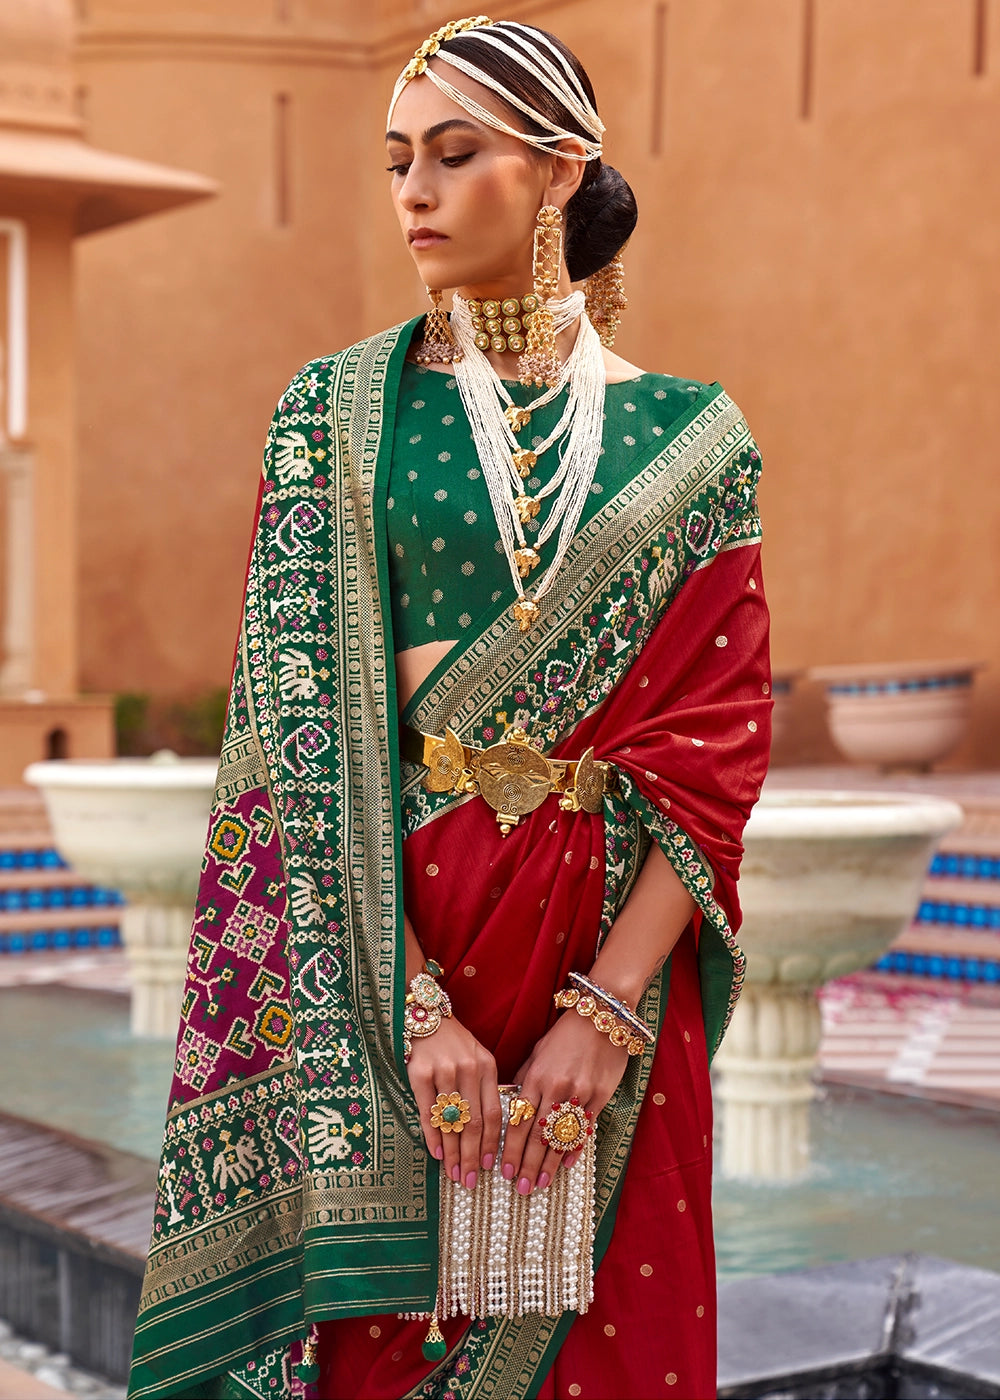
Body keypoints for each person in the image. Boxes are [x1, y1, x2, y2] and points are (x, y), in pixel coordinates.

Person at [128, 16, 771, 1400]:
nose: (412, 189)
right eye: (395, 160)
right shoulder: (337, 414)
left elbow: (718, 748)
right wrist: (414, 1008)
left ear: (558, 172)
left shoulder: (695, 438)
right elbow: (297, 740)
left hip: (613, 969)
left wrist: (603, 1013)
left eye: (455, 153)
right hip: (388, 962)